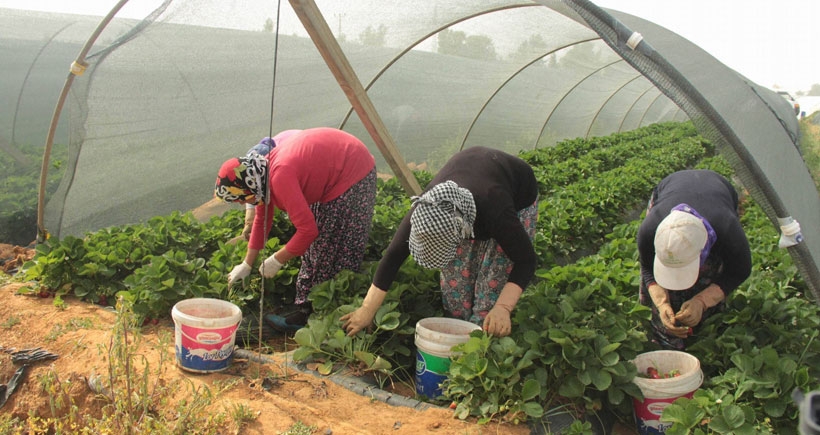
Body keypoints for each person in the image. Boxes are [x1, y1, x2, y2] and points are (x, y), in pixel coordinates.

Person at [341, 146, 539, 338]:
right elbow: (393, 256)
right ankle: (458, 329)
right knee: (456, 289)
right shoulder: (426, 209)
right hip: (470, 176)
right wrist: (367, 309)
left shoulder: (497, 211)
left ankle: (479, 342)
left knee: (492, 286)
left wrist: (503, 308)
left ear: (458, 233)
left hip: (516, 192)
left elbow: (526, 261)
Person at [215, 127, 377, 330]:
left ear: (248, 185)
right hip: (335, 167)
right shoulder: (261, 175)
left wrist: (277, 259)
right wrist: (247, 264)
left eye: (240, 198)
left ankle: (321, 316)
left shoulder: (279, 176)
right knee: (318, 246)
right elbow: (261, 221)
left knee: (331, 244)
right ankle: (306, 308)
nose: (241, 204)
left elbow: (308, 231)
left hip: (352, 171)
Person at [636, 169, 752, 350]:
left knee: (711, 273)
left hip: (718, 193)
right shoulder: (649, 230)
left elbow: (739, 271)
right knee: (660, 301)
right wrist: (662, 303)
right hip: (670, 187)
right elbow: (647, 267)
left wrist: (702, 301)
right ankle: (661, 329)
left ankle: (705, 327)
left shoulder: (727, 228)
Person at [229, 130, 302, 244]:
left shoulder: (283, 163)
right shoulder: (256, 160)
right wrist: (249, 223)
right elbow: (252, 190)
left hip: (303, 151)